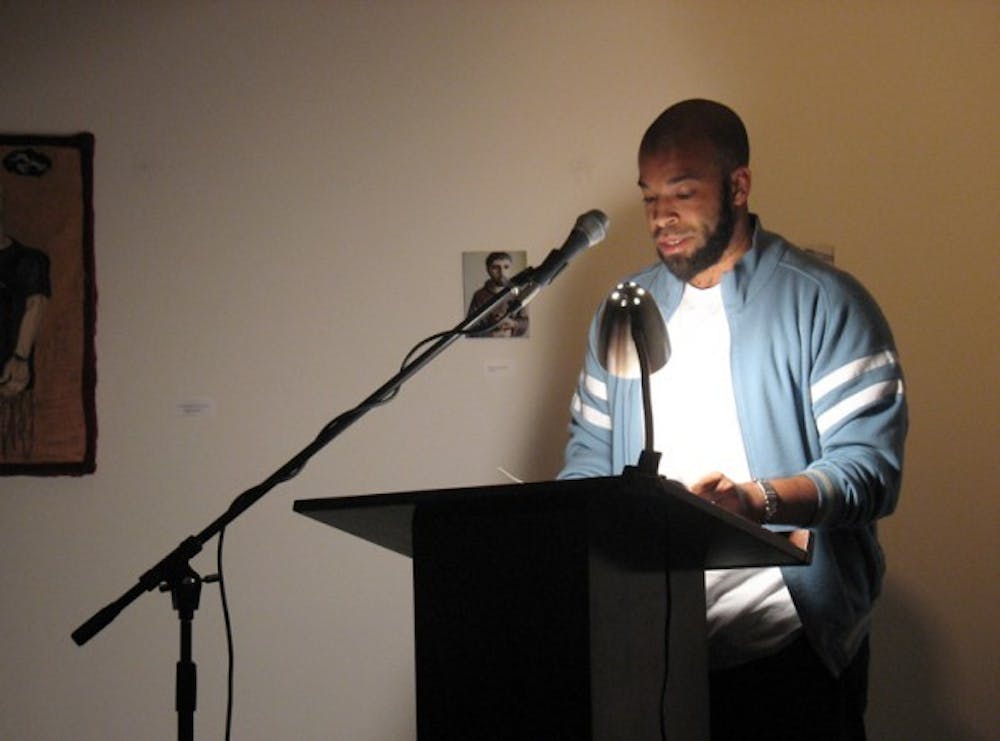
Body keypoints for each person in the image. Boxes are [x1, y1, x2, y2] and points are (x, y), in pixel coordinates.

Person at [558, 99, 907, 739]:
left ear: (738, 186)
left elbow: (869, 471)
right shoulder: (625, 311)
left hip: (788, 655)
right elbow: (587, 462)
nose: (662, 217)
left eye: (683, 193)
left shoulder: (824, 303)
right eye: (650, 198)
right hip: (654, 657)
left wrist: (756, 501)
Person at [0, 182, 50, 455]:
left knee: (14, 448)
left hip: (11, 380)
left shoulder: (28, 260)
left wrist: (19, 358)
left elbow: (36, 304)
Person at [466, 250, 529, 337]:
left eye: (506, 267)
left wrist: (513, 324)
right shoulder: (479, 295)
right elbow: (470, 330)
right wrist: (492, 334)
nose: (502, 273)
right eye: (495, 267)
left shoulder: (517, 292)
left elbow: (525, 322)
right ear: (488, 269)